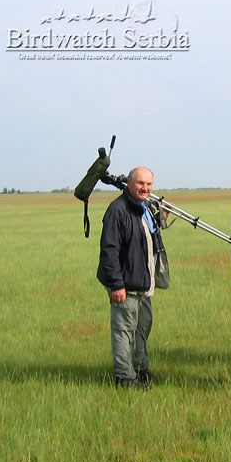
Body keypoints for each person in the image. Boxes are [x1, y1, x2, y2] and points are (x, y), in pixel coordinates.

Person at [97, 166, 161, 390]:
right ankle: (125, 378)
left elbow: (146, 238)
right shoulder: (118, 209)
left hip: (144, 283)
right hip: (125, 284)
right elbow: (109, 250)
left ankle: (140, 370)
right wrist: (116, 285)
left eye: (149, 184)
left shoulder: (143, 208)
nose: (145, 188)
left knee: (142, 328)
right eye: (140, 183)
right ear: (130, 184)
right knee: (124, 331)